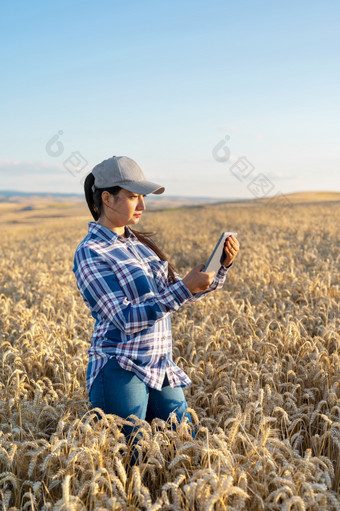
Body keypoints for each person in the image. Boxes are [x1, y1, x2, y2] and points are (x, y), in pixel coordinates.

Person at [73, 155, 239, 454]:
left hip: (159, 365)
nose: (142, 206)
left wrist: (220, 268)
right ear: (107, 198)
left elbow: (177, 293)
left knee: (185, 447)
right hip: (119, 367)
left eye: (143, 197)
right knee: (130, 458)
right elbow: (125, 318)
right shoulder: (91, 252)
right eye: (133, 196)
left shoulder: (141, 246)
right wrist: (183, 288)